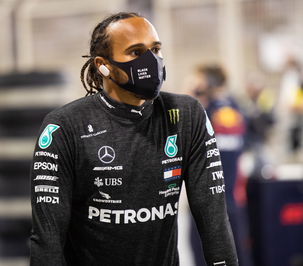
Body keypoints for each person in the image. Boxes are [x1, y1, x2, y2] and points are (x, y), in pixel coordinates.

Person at [29, 12, 238, 266]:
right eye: (136, 52)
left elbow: (213, 217)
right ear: (102, 65)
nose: (151, 61)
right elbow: (47, 240)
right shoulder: (64, 127)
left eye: (156, 49)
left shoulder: (186, 115)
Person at [188, 65, 252, 266]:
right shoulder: (237, 108)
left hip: (208, 197)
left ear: (209, 83)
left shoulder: (204, 111)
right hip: (232, 195)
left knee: (201, 249)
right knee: (236, 250)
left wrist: (192, 95)